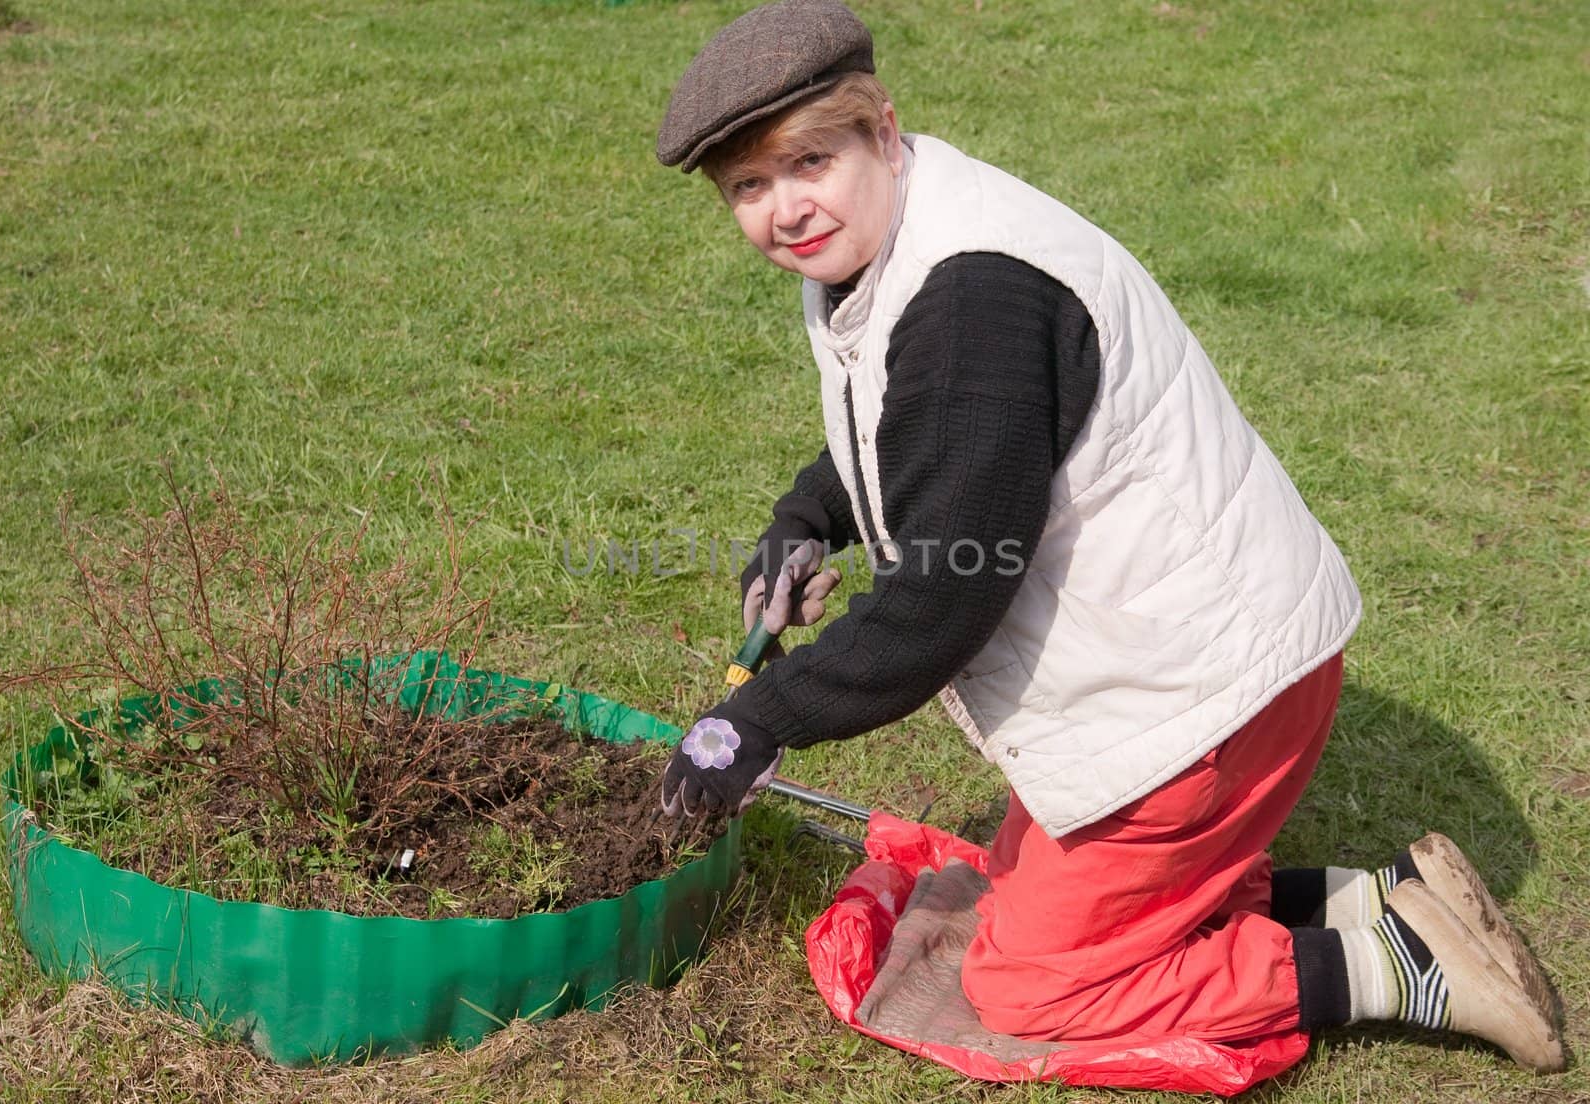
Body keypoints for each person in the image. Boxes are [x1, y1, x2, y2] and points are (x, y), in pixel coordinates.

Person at [652, 0, 1565, 1074]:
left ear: (882, 132)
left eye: (808, 162)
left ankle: (1399, 964)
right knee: (1021, 886)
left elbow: (942, 600)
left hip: (1204, 703)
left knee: (1028, 980)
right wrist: (808, 519)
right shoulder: (908, 236)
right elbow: (918, 432)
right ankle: (1376, 897)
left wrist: (756, 719)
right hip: (1205, 663)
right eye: (748, 188)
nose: (785, 210)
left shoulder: (969, 299)